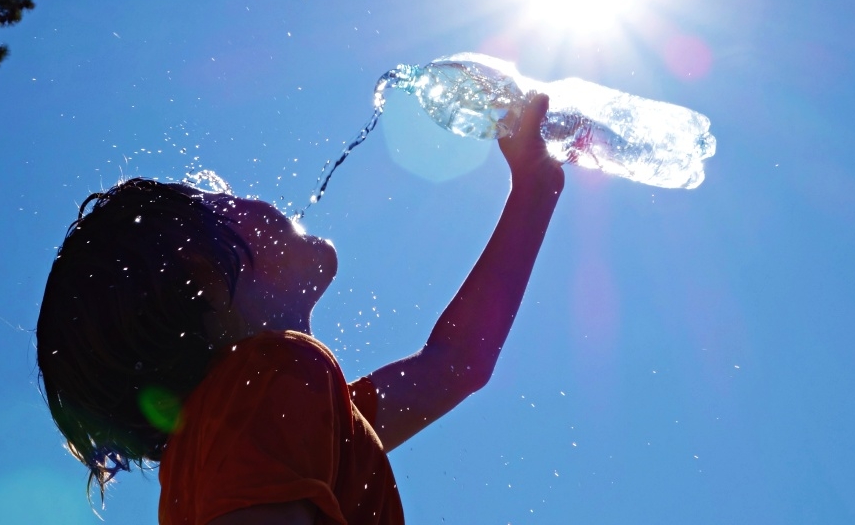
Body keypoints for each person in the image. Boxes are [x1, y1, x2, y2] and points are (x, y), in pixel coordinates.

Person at [36, 94, 564, 525]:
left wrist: (535, 189)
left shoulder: (270, 415)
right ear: (204, 275)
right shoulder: (268, 377)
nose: (249, 199)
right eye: (221, 201)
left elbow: (457, 362)